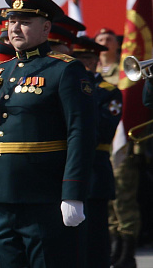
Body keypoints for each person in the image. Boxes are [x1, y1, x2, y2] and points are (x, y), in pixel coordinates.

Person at [0, 0, 93, 267]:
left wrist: (73, 193)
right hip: (0, 197)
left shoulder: (64, 70)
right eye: (12, 21)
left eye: (25, 22)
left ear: (45, 28)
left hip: (43, 195)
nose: (15, 28)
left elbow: (80, 133)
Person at [71, 36, 119, 268]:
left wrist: (85, 92)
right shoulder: (68, 85)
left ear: (96, 60)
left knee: (96, 239)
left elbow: (104, 130)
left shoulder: (108, 91)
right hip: (67, 169)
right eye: (78, 58)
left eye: (88, 58)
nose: (83, 63)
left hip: (95, 171)